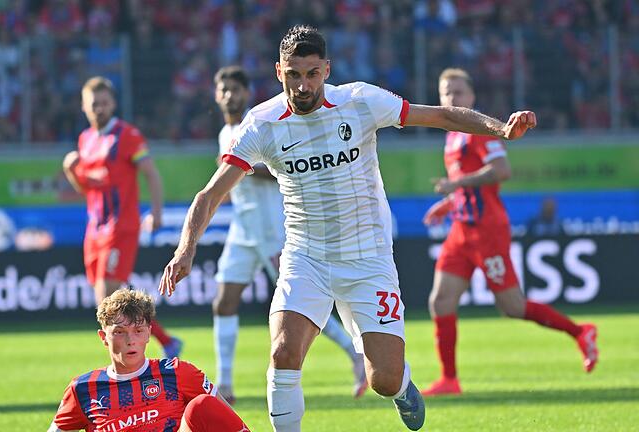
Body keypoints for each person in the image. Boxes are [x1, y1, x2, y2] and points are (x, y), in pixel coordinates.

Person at [160, 25, 536, 432]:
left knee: (383, 380)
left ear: (326, 69)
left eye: (311, 74)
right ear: (278, 72)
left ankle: (402, 384)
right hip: (305, 256)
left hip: (368, 256)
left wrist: (501, 129)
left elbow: (442, 115)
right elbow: (210, 194)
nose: (302, 85)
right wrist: (186, 248)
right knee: (284, 352)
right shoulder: (261, 124)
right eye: (293, 74)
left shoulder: (359, 101)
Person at [420, 68, 597, 397]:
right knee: (441, 301)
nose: (452, 99)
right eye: (446, 93)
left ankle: (580, 332)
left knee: (512, 307)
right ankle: (449, 380)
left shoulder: (477, 130)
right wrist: (449, 202)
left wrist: (456, 185)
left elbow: (502, 171)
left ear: (472, 97)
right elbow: (469, 183)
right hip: (462, 229)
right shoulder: (452, 134)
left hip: (488, 230)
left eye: (458, 92)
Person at [211, 65, 367, 404]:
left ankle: (355, 355)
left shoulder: (261, 125)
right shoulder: (226, 133)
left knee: (303, 306)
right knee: (223, 302)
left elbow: (279, 169)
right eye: (223, 89)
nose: (228, 95)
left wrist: (245, 170)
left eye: (235, 89)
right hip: (243, 229)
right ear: (215, 95)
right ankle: (224, 384)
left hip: (273, 230)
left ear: (246, 93)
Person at [62, 76, 183, 359]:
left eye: (105, 103)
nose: (100, 108)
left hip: (121, 226)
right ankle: (166, 341)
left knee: (108, 296)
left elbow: (151, 174)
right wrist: (72, 171)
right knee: (105, 301)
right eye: (94, 104)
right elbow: (87, 188)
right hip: (94, 229)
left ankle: (125, 361)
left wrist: (156, 212)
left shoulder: (126, 135)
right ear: (84, 106)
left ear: (113, 103)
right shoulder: (86, 139)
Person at [47, 288, 250, 432]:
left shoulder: (178, 372)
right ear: (104, 338)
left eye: (138, 331)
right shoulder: (82, 389)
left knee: (203, 405)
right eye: (119, 332)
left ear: (148, 334)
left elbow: (230, 422)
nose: (130, 340)